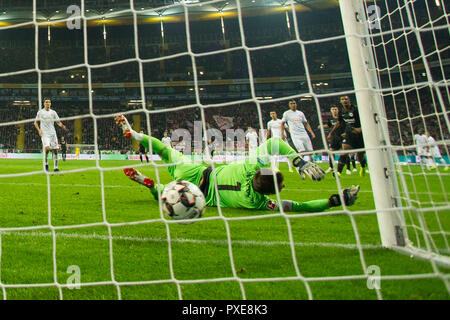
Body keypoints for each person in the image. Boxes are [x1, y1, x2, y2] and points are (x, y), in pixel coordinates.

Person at [115, 114, 359, 213]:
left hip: (196, 170)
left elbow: (276, 143)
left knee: (164, 149)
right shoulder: (259, 202)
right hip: (199, 194)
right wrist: (334, 201)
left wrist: (299, 162)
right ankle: (151, 187)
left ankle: (136, 135)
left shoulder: (250, 166)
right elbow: (300, 206)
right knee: (168, 194)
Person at [327, 96, 367, 176]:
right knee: (345, 149)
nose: (344, 101)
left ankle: (362, 166)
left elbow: (365, 119)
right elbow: (339, 123)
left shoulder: (355, 110)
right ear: (340, 102)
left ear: (349, 100)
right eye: (342, 99)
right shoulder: (341, 111)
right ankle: (338, 172)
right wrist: (331, 133)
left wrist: (360, 129)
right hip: (349, 134)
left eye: (346, 99)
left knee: (360, 155)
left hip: (359, 134)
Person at [34, 98, 67, 172]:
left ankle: (55, 167)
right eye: (46, 102)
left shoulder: (53, 112)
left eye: (49, 102)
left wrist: (62, 126)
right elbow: (35, 122)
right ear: (44, 103)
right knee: (48, 148)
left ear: (50, 104)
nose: (48, 103)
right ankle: (46, 164)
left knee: (55, 150)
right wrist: (39, 130)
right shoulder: (40, 112)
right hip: (45, 134)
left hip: (53, 133)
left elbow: (58, 122)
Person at [318, 105, 342, 174]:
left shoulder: (341, 117)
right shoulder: (330, 118)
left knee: (344, 151)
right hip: (334, 137)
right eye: (333, 109)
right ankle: (331, 167)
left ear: (338, 110)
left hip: (341, 136)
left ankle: (349, 168)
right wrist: (322, 126)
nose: (334, 110)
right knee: (331, 151)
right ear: (331, 111)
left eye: (335, 109)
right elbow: (329, 125)